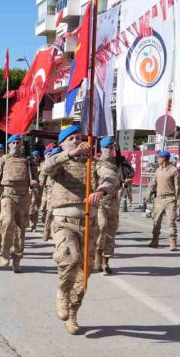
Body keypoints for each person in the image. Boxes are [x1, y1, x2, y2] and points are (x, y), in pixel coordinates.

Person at [42, 126, 117, 335]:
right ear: (62, 144)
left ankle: (73, 313)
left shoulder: (93, 163)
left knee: (85, 273)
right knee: (70, 258)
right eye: (71, 138)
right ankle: (62, 293)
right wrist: (69, 155)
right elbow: (45, 168)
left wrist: (101, 190)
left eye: (79, 138)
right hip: (63, 222)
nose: (76, 141)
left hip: (89, 224)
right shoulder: (59, 163)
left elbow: (110, 177)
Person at [0, 135, 36, 273]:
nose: (16, 145)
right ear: (9, 145)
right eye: (14, 142)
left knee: (20, 228)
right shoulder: (3, 160)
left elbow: (35, 177)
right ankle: (5, 251)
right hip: (8, 194)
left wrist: (34, 183)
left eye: (18, 142)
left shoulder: (28, 160)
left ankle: (17, 258)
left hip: (24, 196)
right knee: (7, 221)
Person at [95, 137, 123, 274]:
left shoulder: (119, 162)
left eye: (112, 147)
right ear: (102, 149)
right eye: (107, 147)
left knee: (111, 232)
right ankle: (97, 258)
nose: (110, 150)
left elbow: (125, 177)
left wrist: (126, 180)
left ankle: (106, 261)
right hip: (100, 202)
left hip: (113, 201)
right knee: (101, 228)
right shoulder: (96, 163)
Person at [146, 150, 180, 251]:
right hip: (159, 199)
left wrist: (179, 200)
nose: (157, 159)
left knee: (171, 222)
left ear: (164, 158)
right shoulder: (158, 170)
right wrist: (148, 194)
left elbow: (178, 187)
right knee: (156, 221)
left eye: (159, 158)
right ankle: (155, 240)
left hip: (170, 199)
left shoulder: (174, 170)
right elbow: (153, 184)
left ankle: (173, 243)